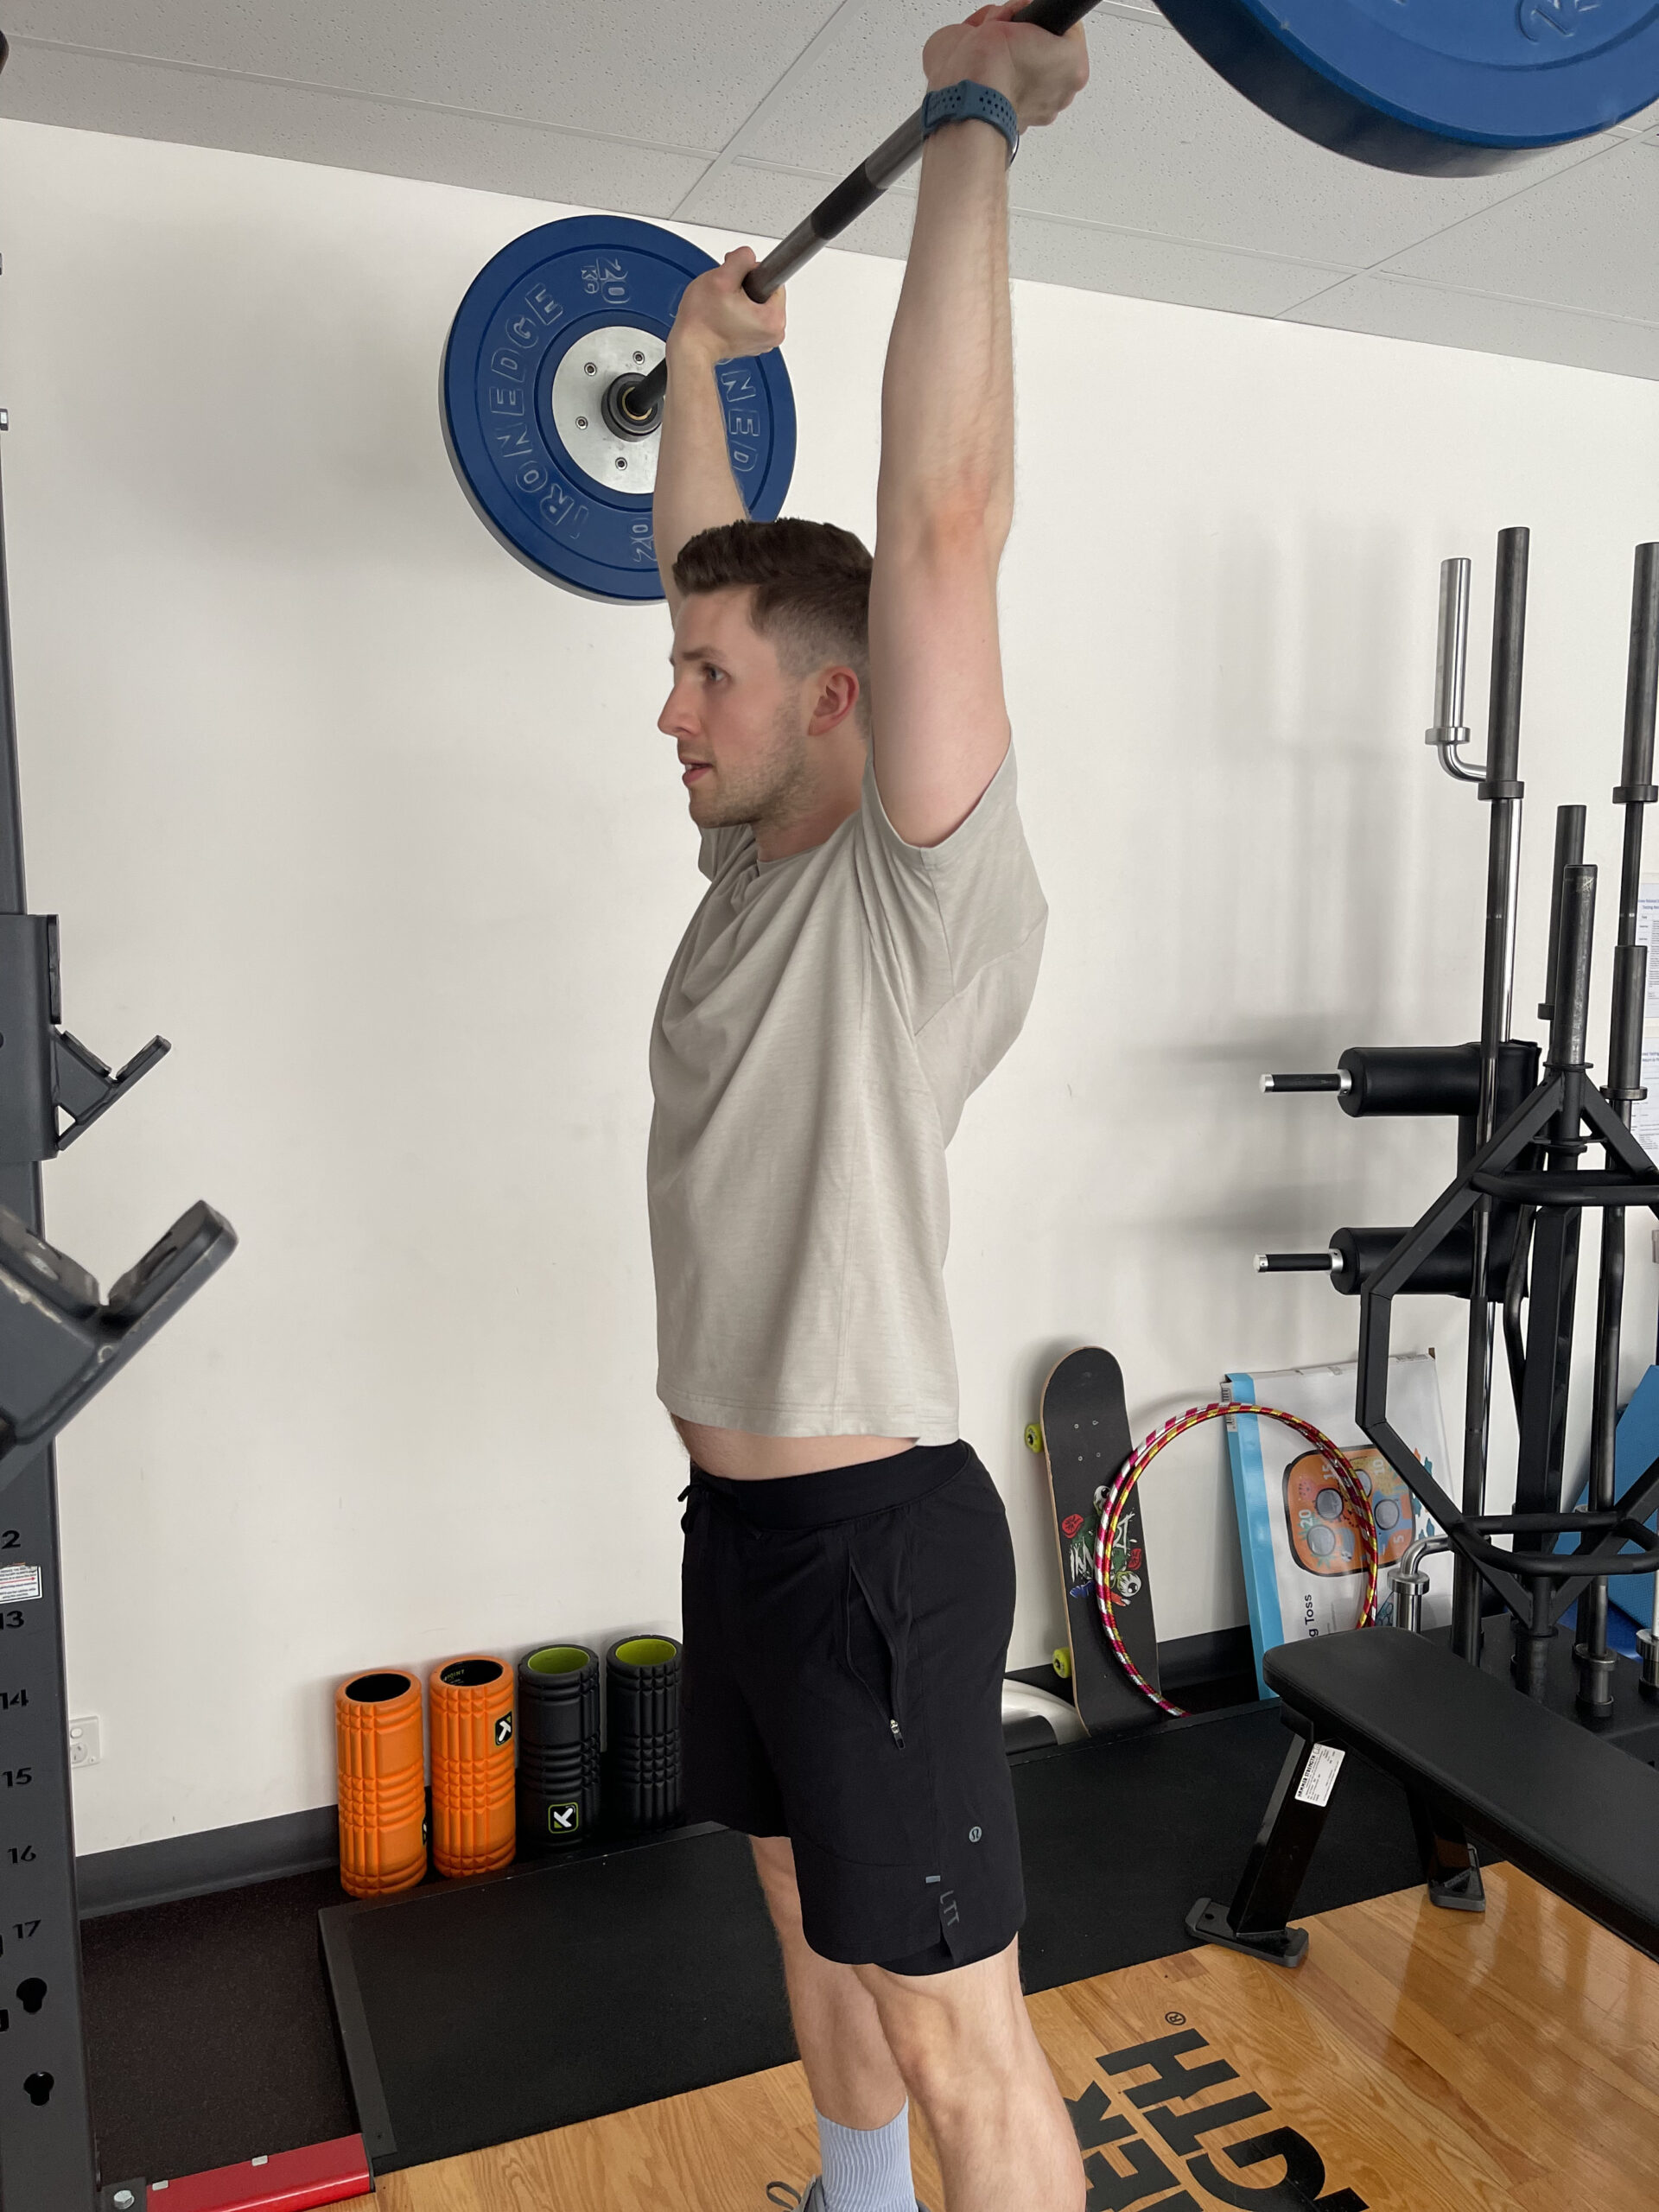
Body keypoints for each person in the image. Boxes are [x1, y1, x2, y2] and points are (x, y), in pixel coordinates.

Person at [647, 9, 1090, 2209]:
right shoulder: (756, 862)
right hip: (741, 1530)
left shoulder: (908, 876)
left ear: (839, 702)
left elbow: (938, 520)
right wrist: (693, 365)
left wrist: (974, 117)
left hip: (875, 1549)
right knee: (807, 1928)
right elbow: (716, 568)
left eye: (706, 683)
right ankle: (850, 2196)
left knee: (964, 2040)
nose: (668, 712)